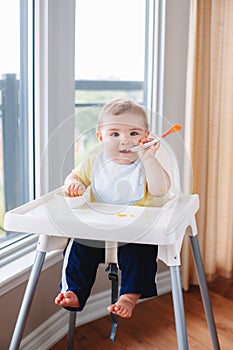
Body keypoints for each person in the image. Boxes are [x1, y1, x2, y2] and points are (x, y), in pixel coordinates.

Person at [55, 98, 171, 318]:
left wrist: (149, 159)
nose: (124, 141)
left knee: (141, 251)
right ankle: (73, 291)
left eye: (134, 134)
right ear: (101, 137)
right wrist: (73, 184)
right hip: (97, 231)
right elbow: (74, 176)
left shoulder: (146, 165)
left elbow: (160, 189)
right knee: (77, 247)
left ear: (145, 137)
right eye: (115, 134)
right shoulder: (94, 161)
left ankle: (128, 296)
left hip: (133, 234)